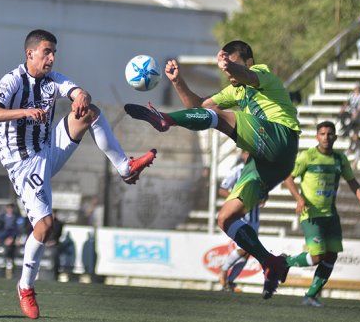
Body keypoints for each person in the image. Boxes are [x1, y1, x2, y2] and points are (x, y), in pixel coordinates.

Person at [0, 29, 156, 319]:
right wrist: (24, 112)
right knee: (44, 226)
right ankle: (25, 286)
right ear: (30, 54)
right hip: (24, 163)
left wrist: (81, 97)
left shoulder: (54, 80)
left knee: (90, 111)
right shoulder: (12, 80)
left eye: (54, 52)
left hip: (48, 147)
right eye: (46, 52)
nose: (51, 58)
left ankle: (124, 168)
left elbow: (79, 92)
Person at [125, 40, 299, 299]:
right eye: (225, 63)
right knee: (225, 219)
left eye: (233, 61)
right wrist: (178, 82)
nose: (228, 69)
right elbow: (199, 109)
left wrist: (229, 67)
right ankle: (270, 262)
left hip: (281, 137)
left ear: (247, 61)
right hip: (271, 162)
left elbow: (246, 75)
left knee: (220, 118)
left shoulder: (261, 73)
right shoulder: (235, 92)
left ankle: (167, 119)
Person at [282, 121, 360, 307]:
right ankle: (285, 262)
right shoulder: (308, 156)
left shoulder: (339, 158)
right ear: (317, 136)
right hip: (311, 214)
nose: (326, 137)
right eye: (322, 133)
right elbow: (288, 177)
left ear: (335, 137)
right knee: (317, 257)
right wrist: (299, 198)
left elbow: (352, 181)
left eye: (330, 134)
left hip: (331, 214)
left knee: (331, 256)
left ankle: (311, 295)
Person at [217, 150, 259, 292]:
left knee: (249, 251)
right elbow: (222, 189)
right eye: (247, 153)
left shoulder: (260, 172)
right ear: (242, 155)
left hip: (254, 217)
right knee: (245, 247)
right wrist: (238, 198)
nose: (249, 156)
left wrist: (263, 197)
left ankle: (229, 283)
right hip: (239, 216)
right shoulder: (237, 170)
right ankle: (223, 270)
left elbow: (263, 191)